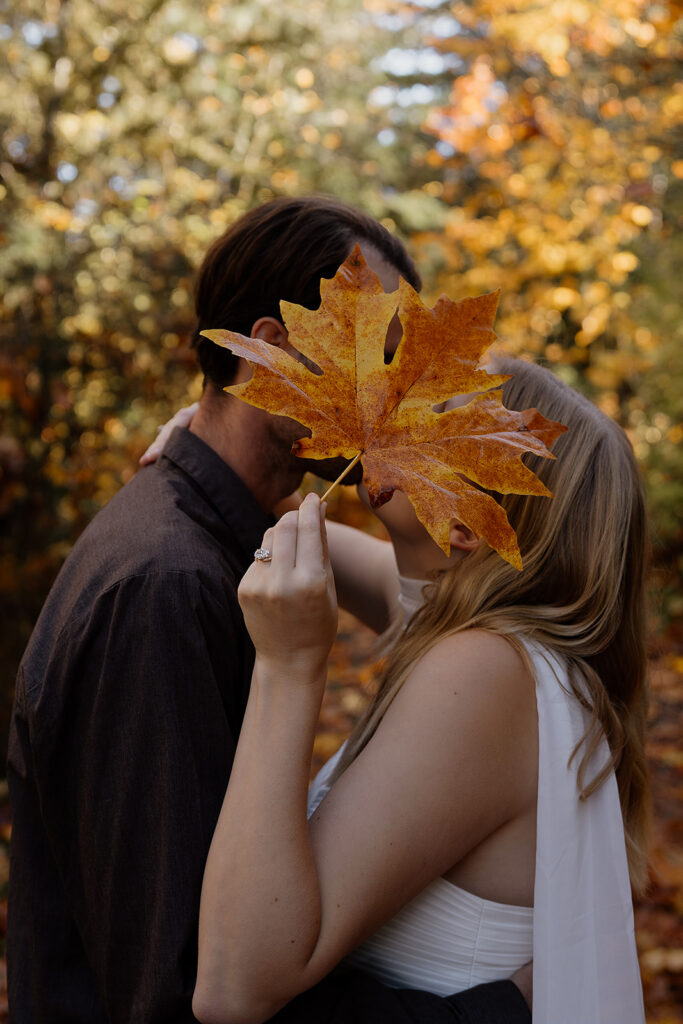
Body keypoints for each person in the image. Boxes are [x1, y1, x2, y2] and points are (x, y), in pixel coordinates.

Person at [7, 197, 532, 1023]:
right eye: (375, 356)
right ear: (276, 348)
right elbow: (180, 989)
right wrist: (494, 1013)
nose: (392, 398)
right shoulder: (166, 584)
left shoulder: (231, 548)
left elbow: (426, 603)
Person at [182, 355, 650, 1024]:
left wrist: (287, 670)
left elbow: (234, 987)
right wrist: (212, 448)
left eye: (420, 423)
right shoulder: (511, 652)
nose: (384, 419)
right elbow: (339, 555)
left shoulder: (485, 673)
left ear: (462, 527)